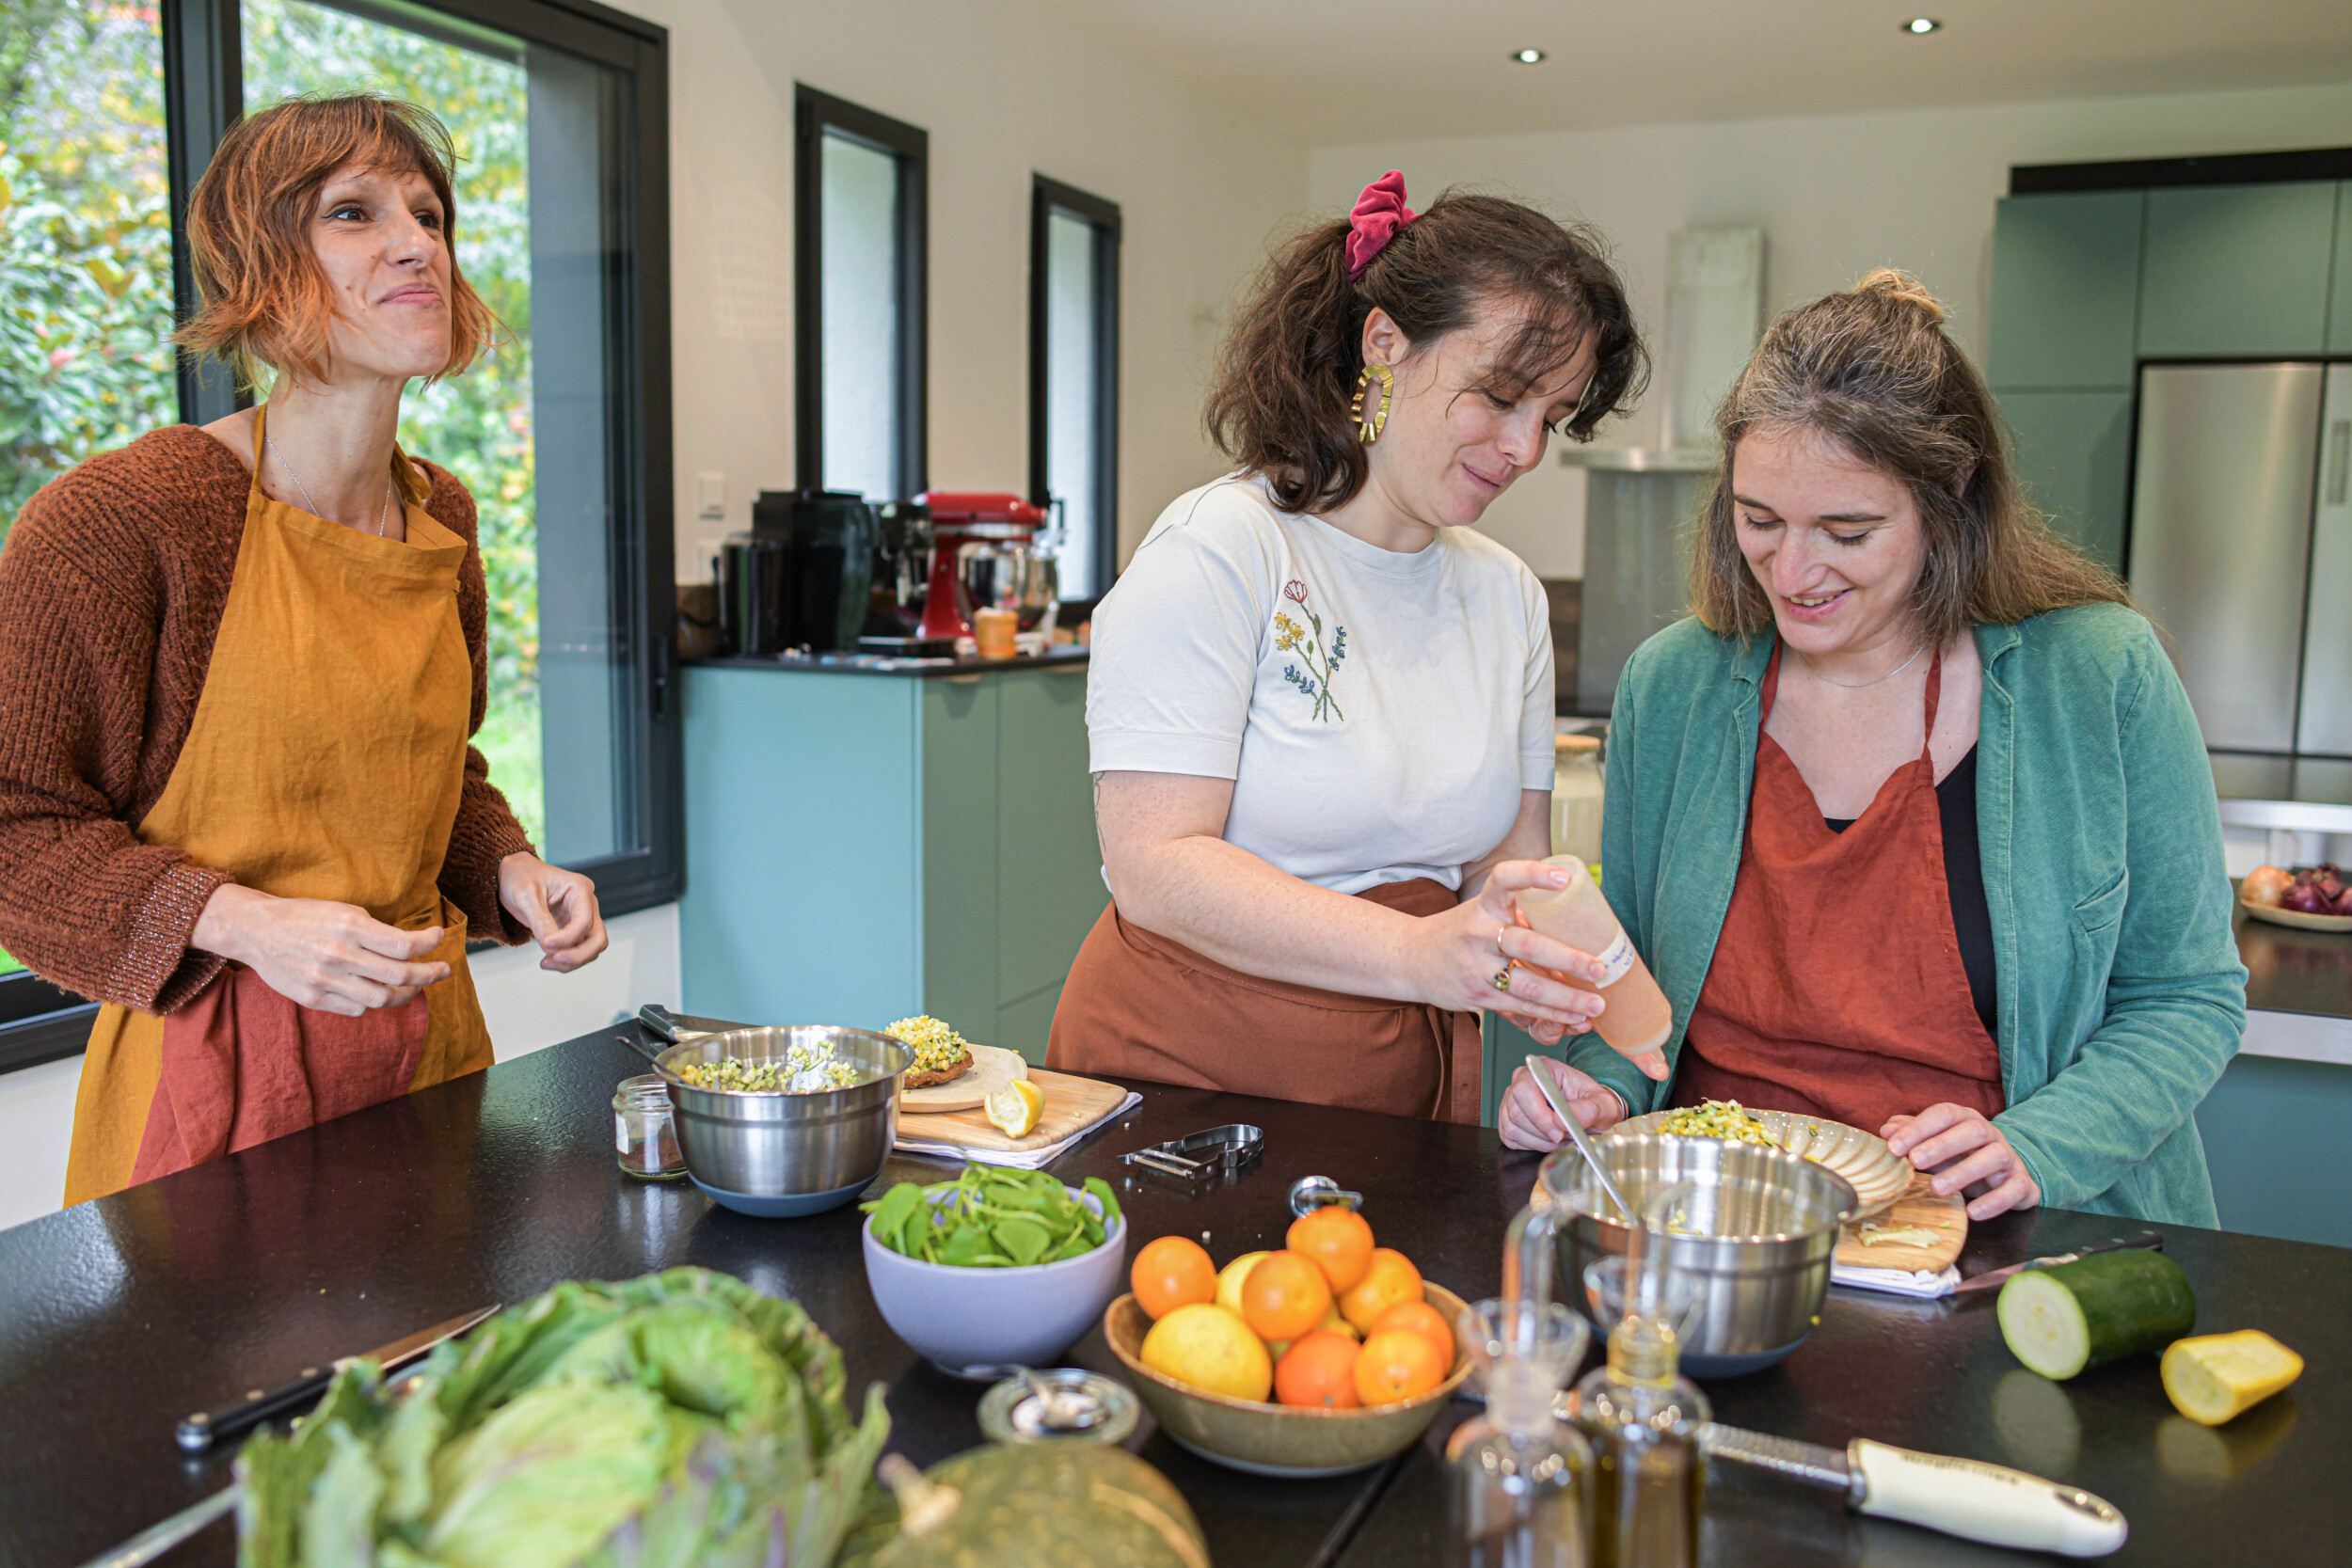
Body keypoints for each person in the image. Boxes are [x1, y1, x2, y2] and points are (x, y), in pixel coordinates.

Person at [1497, 272, 2245, 1227]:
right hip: (1717, 1224)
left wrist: (2038, 1141)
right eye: (1758, 521)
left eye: (1846, 531)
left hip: (1996, 1231)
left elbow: (2188, 995)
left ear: (1948, 497)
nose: (1794, 572)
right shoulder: (1672, 685)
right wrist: (1604, 1090)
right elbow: (1628, 985)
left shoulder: (2097, 674)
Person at [0, 95, 607, 1205]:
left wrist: (507, 868)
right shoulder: (125, 520)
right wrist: (242, 921)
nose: (417, 242)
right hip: (216, 1088)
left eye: (428, 214)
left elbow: (435, 770)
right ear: (256, 264)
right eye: (353, 213)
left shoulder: (445, 519)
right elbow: (14, 825)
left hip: (428, 1061)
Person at [1046, 173, 1647, 1121]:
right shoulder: (1222, 549)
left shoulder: (1505, 597)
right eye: (1497, 395)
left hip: (1402, 1087)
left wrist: (1564, 990)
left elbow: (1502, 863)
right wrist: (1416, 952)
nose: (1526, 447)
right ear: (1384, 344)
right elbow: (1154, 863)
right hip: (1185, 1074)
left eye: (1553, 417)